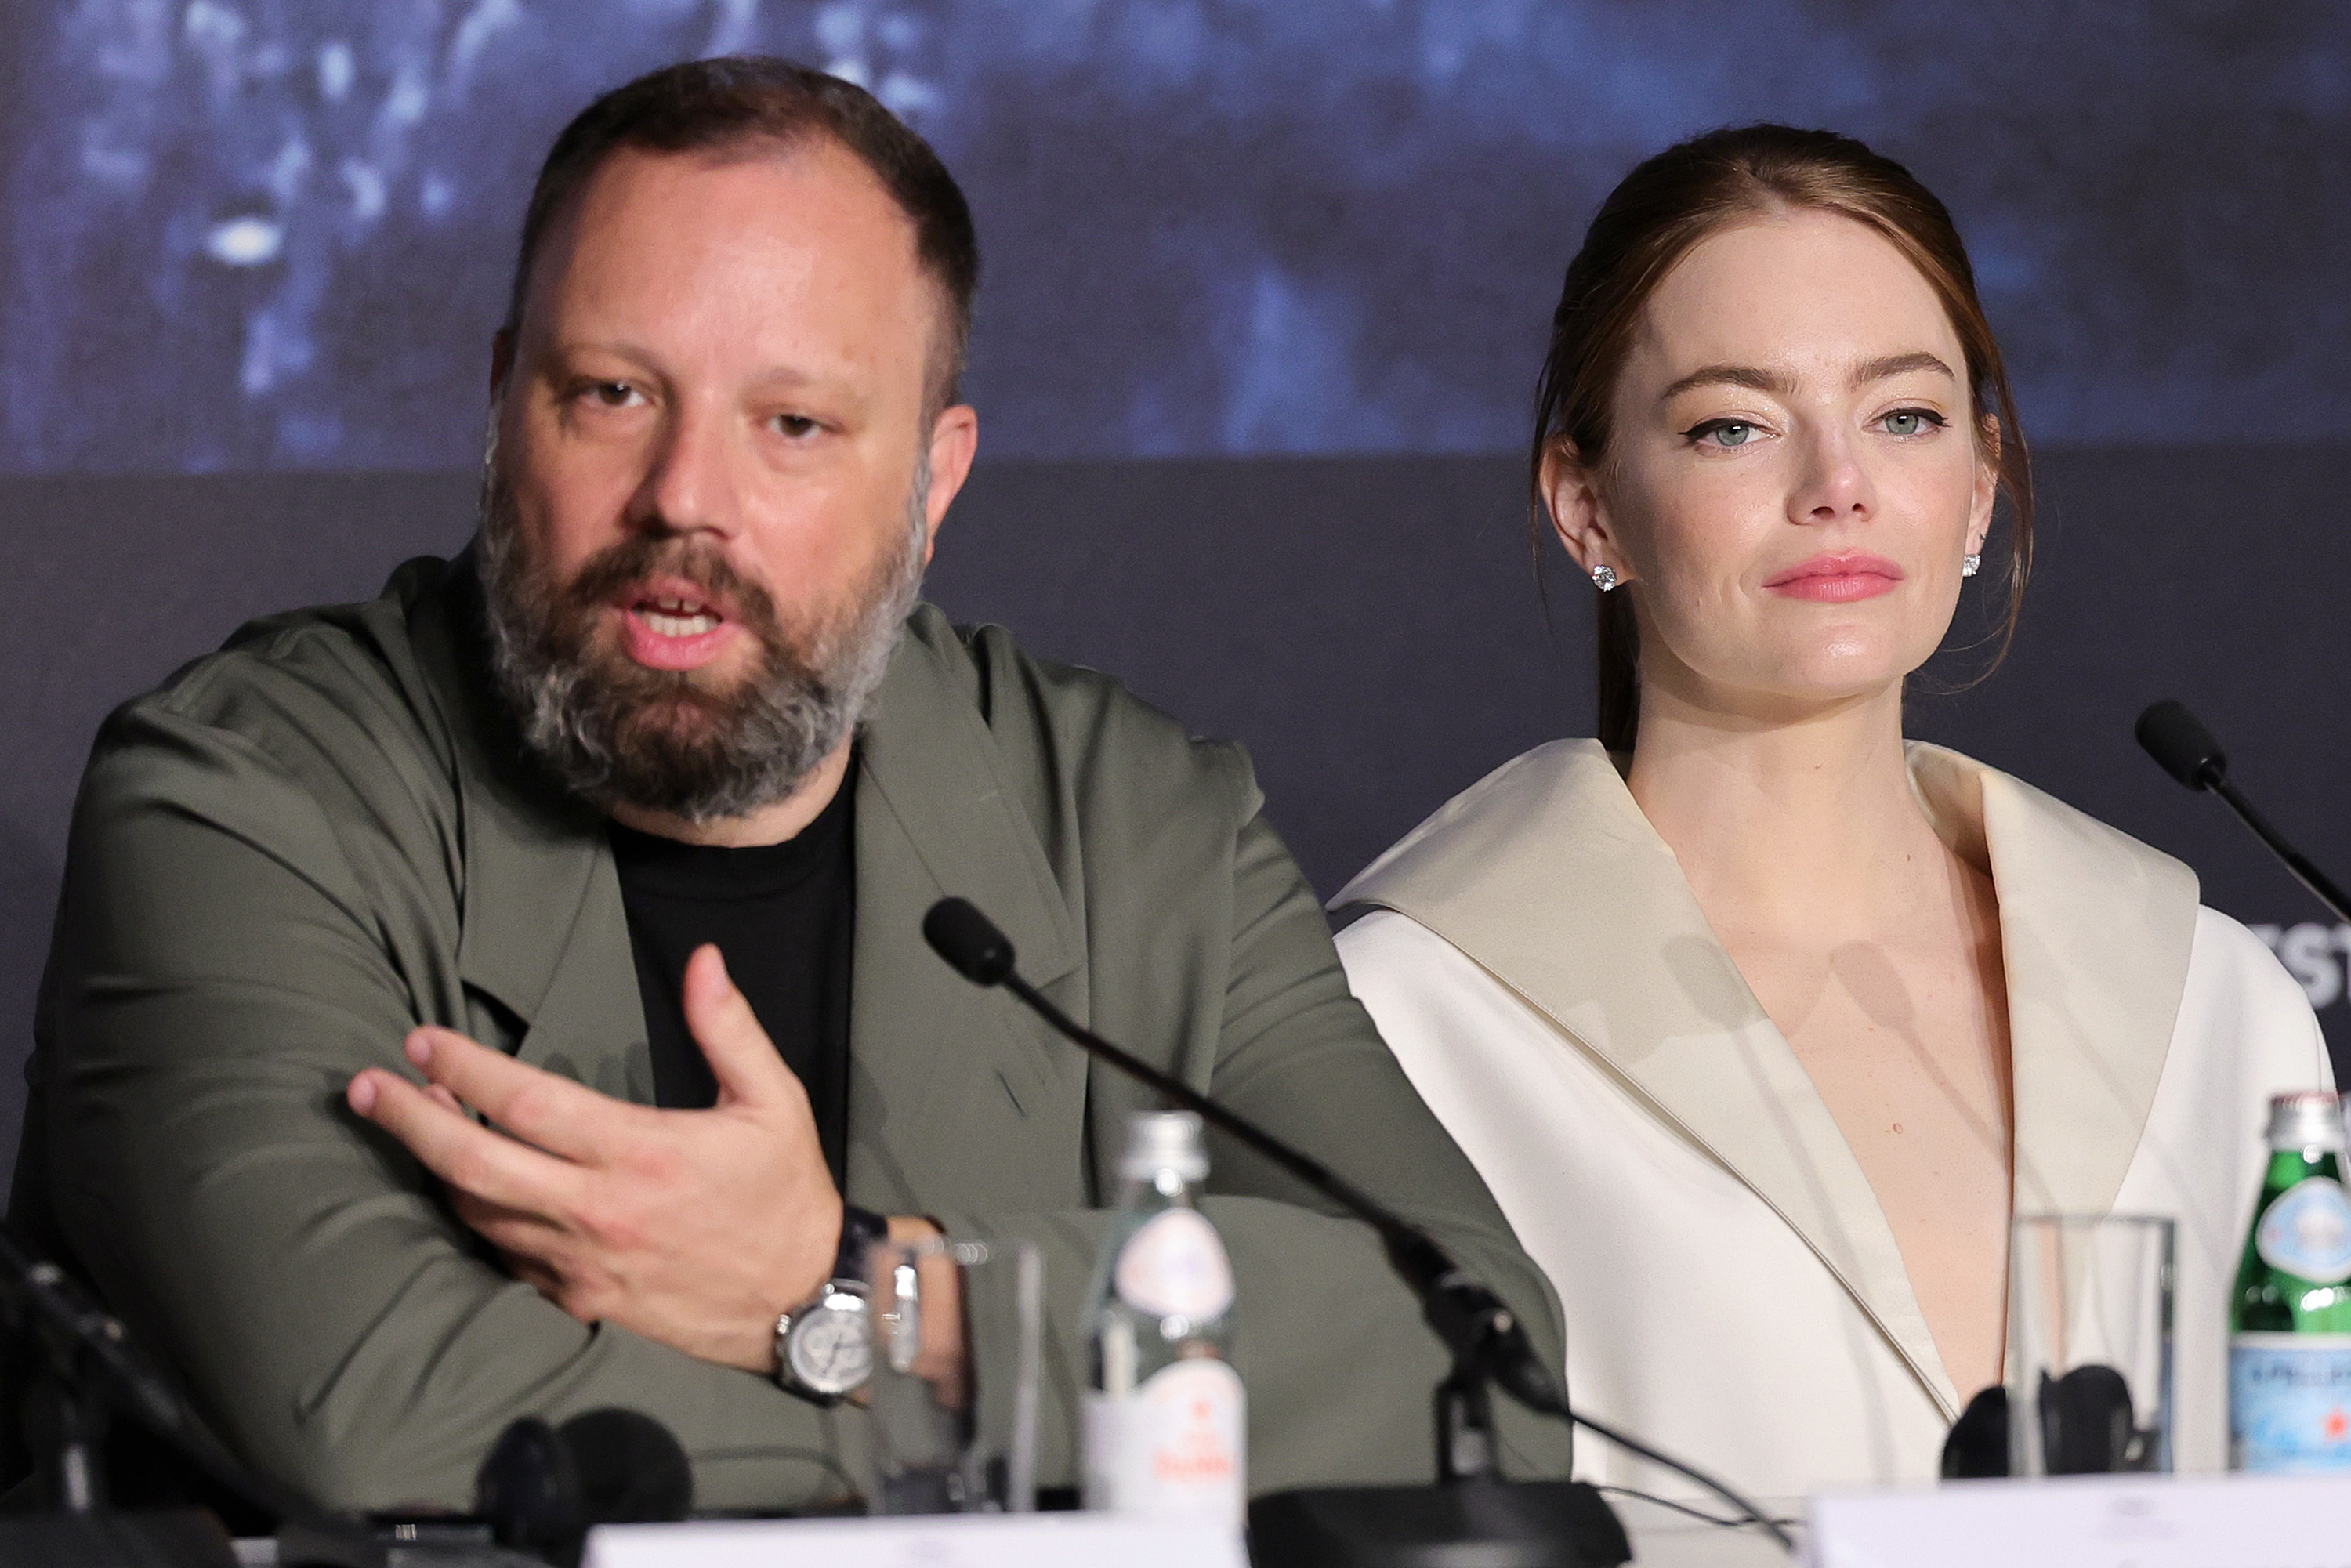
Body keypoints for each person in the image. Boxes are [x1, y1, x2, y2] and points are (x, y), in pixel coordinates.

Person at [13, 56, 1571, 1512]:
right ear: (503, 409)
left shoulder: (1140, 824)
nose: (687, 497)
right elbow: (370, 1410)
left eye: (795, 425)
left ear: (932, 476)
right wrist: (1007, 1405)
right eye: (612, 393)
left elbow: (1482, 1372)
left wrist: (868, 1286)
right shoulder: (242, 797)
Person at [1332, 125, 2328, 1500]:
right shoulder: (1401, 1020)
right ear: (1587, 505)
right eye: (1732, 423)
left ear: (1980, 485)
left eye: (1904, 415)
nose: (1838, 484)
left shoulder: (2218, 1003)